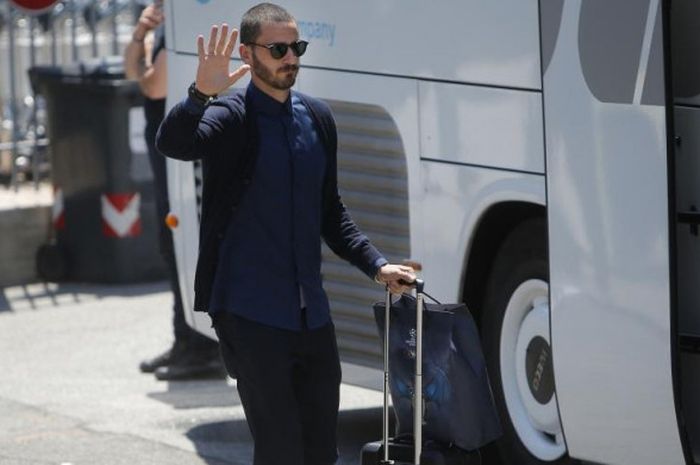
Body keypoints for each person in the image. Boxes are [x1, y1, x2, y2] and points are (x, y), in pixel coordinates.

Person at [156, 3, 417, 464]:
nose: (290, 58)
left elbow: (331, 212)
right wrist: (199, 94)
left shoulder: (316, 118)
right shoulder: (231, 115)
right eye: (278, 49)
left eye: (296, 47)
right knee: (279, 449)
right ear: (248, 54)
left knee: (321, 448)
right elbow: (174, 143)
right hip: (249, 312)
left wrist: (377, 265)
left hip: (311, 315)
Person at [124, 1, 224, 381]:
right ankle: (184, 339)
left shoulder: (187, 22)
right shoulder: (168, 22)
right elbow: (131, 69)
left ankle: (200, 347)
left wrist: (144, 48)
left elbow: (152, 84)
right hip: (164, 141)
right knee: (171, 242)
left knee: (179, 239)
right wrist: (139, 35)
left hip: (177, 145)